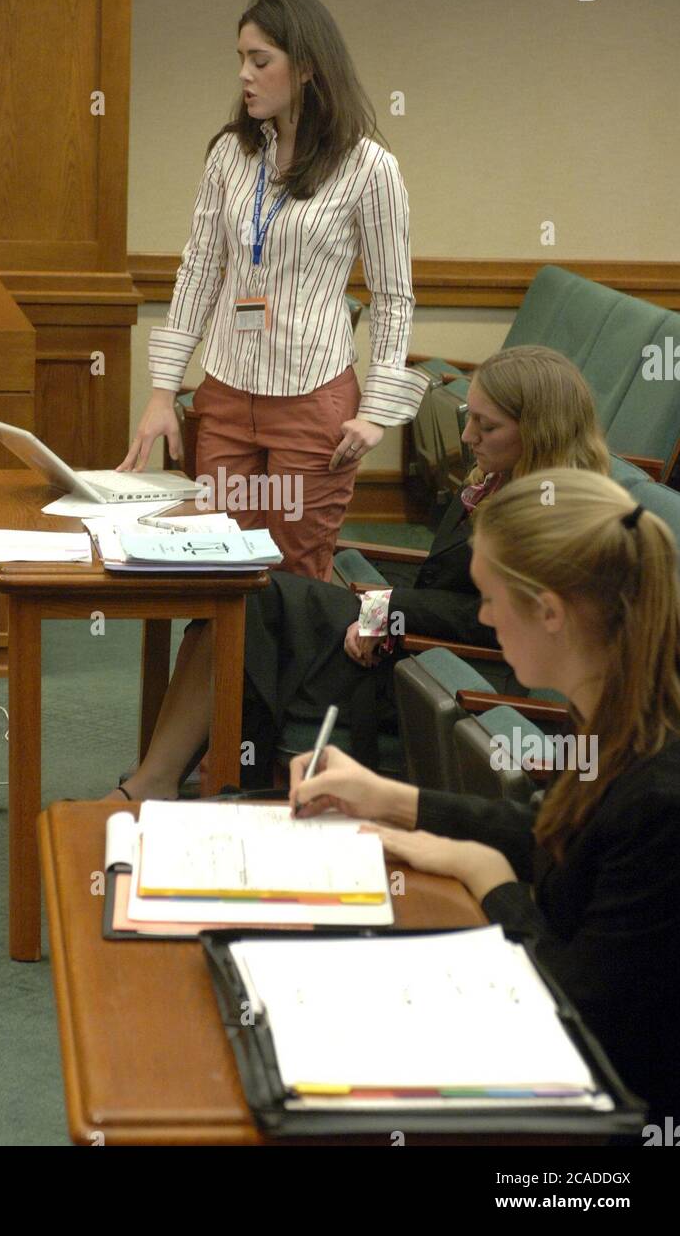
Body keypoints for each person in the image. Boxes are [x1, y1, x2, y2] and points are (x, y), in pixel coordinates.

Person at [291, 469, 680, 1122]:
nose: (482, 618)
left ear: (549, 612)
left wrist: (487, 876)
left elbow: (583, 1016)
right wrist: (388, 798)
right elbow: (553, 836)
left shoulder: (660, 793)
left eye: (491, 597)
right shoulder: (615, 714)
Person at [109, 346, 609, 800]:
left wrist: (388, 608)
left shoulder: (555, 510)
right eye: (468, 418)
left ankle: (167, 779)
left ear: (540, 430)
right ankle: (172, 775)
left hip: (444, 670)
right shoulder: (498, 482)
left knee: (253, 601)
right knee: (245, 593)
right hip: (410, 637)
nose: (467, 436)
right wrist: (385, 610)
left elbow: (499, 622)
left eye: (487, 426)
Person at [119, 0, 427, 581]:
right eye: (240, 59)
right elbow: (199, 270)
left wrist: (380, 412)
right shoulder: (230, 156)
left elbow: (393, 296)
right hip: (228, 395)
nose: (244, 75)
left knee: (293, 573)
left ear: (307, 67)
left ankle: (281, 677)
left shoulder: (370, 167)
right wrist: (162, 393)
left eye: (261, 60)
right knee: (215, 560)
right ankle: (217, 677)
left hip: (313, 400)